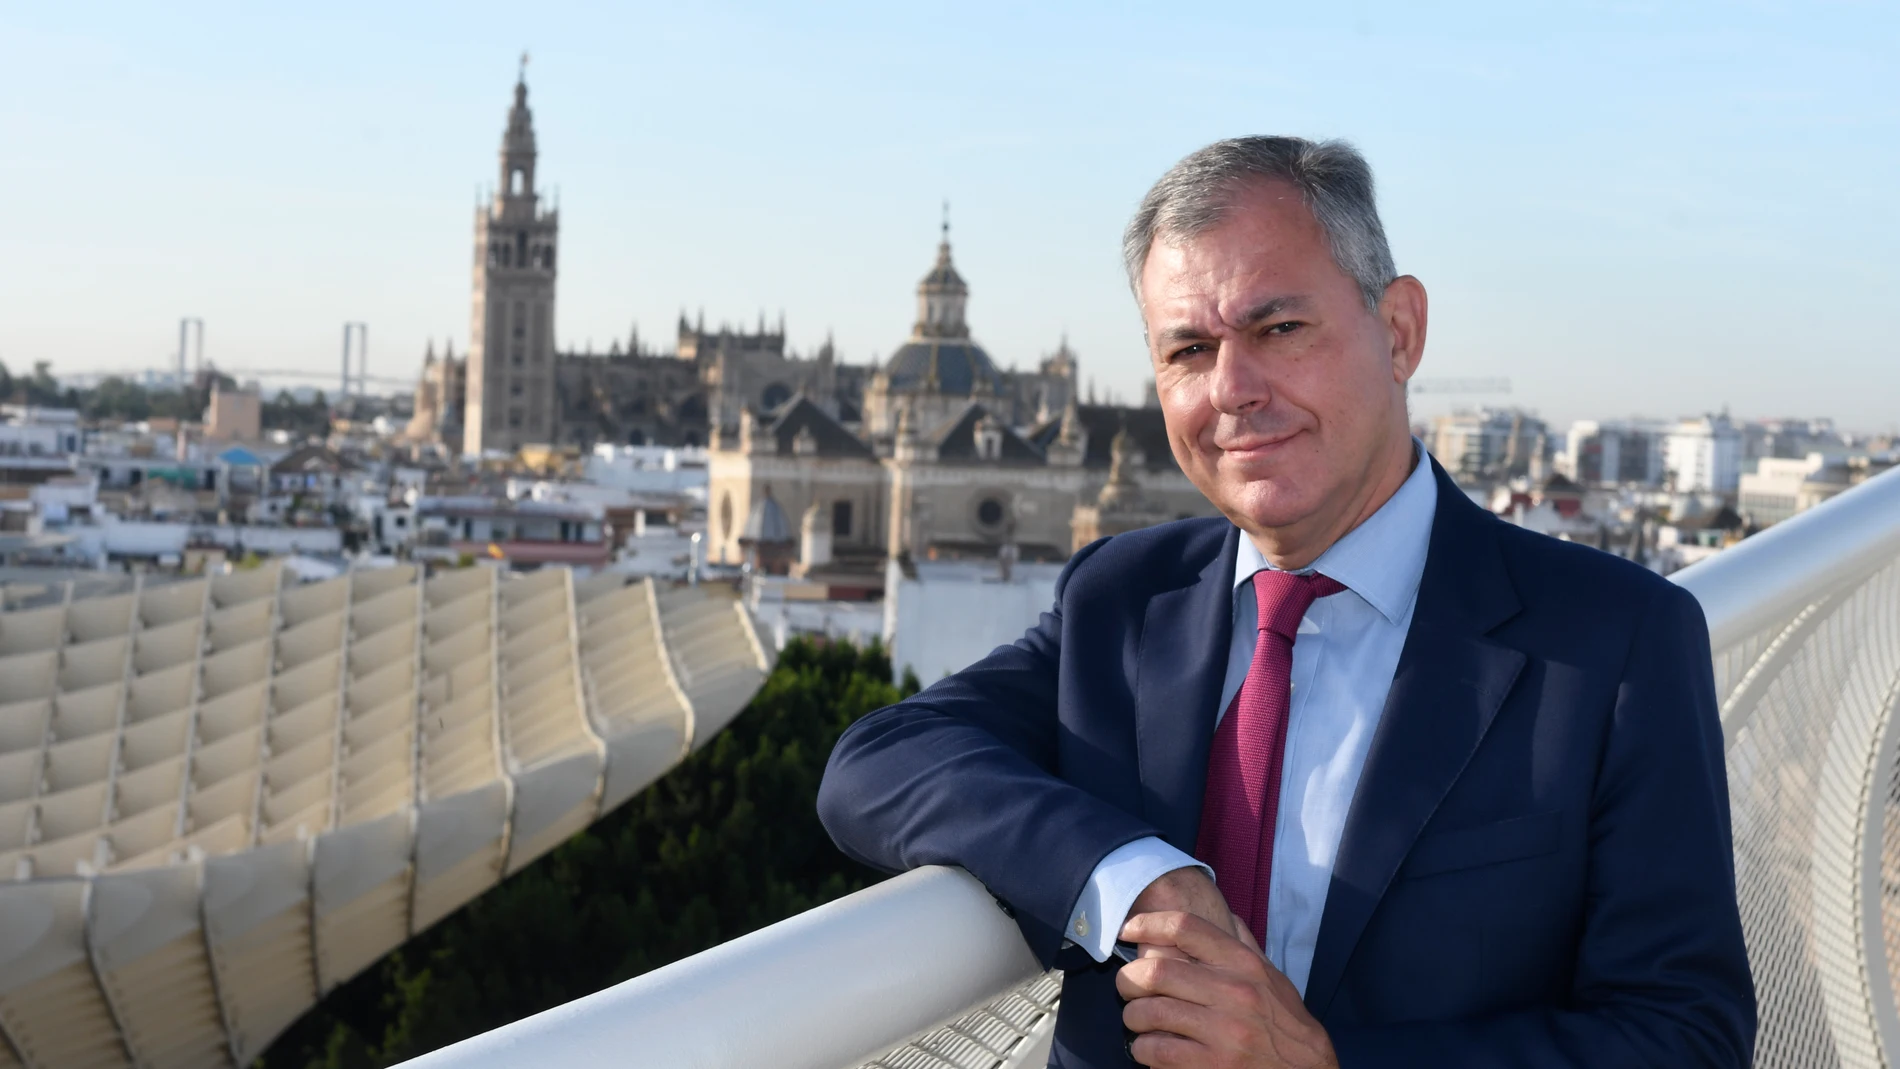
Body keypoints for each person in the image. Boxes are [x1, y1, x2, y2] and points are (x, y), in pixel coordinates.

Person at [817, 137, 1755, 1067]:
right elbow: (877, 760)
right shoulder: (1124, 598)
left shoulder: (1614, 643)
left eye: (1279, 329)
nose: (1233, 390)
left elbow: (1687, 1038)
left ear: (1400, 331)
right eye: (1189, 348)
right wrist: (1133, 874)